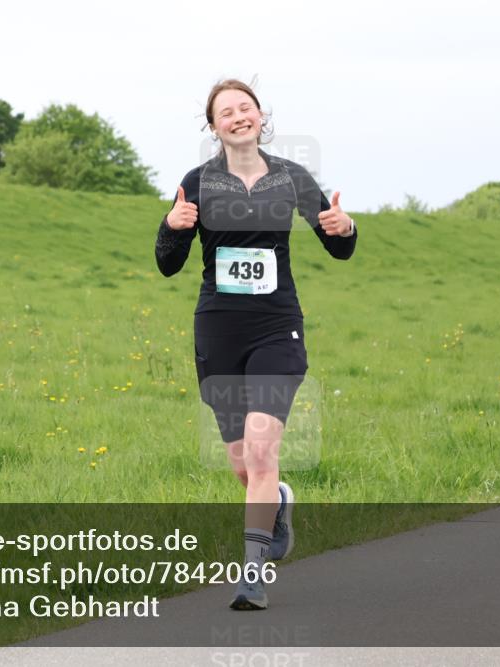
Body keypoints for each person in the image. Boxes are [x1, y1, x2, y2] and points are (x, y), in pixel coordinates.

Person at [154, 78, 357, 610]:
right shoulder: (197, 182)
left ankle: (252, 573)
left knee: (264, 451)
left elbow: (339, 247)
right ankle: (280, 502)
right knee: (245, 467)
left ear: (262, 116)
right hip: (218, 332)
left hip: (276, 329)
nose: (239, 117)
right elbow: (167, 262)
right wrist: (172, 227)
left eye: (246, 107)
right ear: (213, 125)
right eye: (227, 112)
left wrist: (344, 227)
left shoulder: (291, 177)